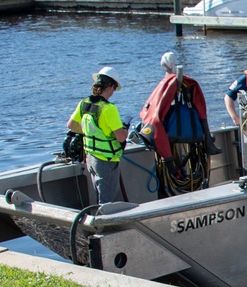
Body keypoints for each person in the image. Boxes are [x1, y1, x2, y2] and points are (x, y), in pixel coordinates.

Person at [140, 52, 221, 165]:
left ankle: (207, 142)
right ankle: (207, 141)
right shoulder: (168, 83)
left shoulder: (166, 84)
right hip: (170, 132)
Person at [66, 67, 128, 204]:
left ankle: (109, 222)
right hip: (106, 161)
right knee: (106, 202)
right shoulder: (109, 109)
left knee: (103, 195)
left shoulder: (85, 103)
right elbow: (121, 138)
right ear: (111, 87)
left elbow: (71, 125)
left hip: (91, 159)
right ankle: (103, 224)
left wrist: (90, 132)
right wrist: (125, 130)